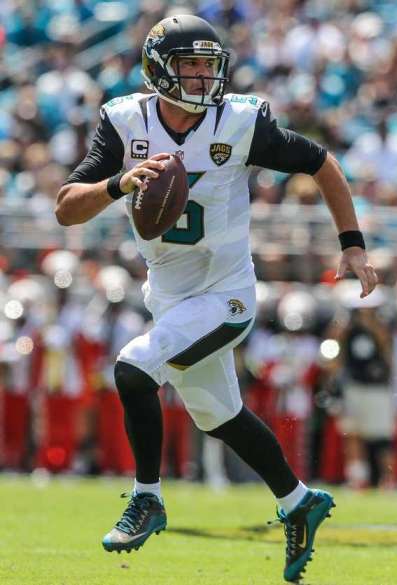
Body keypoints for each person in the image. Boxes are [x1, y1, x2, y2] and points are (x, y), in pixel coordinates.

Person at [54, 15, 377, 583]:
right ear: (159, 70)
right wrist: (119, 183)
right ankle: (298, 501)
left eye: (210, 65)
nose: (204, 78)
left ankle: (147, 497)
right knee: (220, 415)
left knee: (132, 369)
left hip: (227, 294)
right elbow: (66, 207)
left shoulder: (241, 121)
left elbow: (322, 164)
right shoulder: (125, 121)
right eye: (191, 66)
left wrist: (352, 244)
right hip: (169, 296)